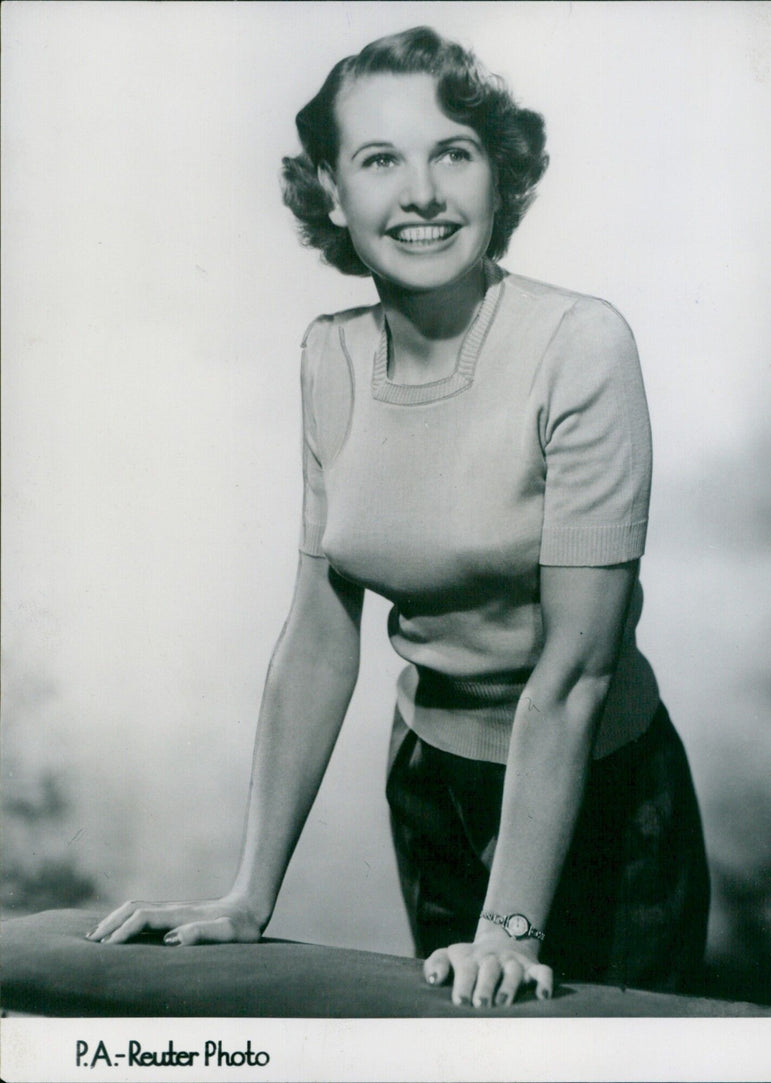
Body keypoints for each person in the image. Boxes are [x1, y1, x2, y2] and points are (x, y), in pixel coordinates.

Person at [88, 26, 709, 1009]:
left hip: (600, 796)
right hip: (429, 786)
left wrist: (506, 928)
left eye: (451, 153)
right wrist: (247, 896)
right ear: (332, 191)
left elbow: (574, 670)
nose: (420, 192)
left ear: (495, 177)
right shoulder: (328, 356)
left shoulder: (579, 344)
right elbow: (319, 636)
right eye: (379, 159)